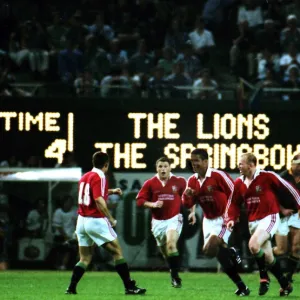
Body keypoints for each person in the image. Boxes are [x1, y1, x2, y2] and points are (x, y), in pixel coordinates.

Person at [65, 151, 146, 295]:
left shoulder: (85, 176)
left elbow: (93, 193)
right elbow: (98, 199)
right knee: (117, 253)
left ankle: (71, 287)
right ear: (106, 164)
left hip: (81, 221)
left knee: (85, 258)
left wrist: (112, 191)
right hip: (95, 220)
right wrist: (110, 217)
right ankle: (129, 287)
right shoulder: (100, 176)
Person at [226, 153, 300, 296]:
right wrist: (231, 218)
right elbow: (234, 203)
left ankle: (263, 278)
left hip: (269, 217)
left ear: (251, 164)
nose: (239, 166)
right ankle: (285, 285)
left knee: (253, 245)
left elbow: (288, 188)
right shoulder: (239, 183)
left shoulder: (267, 176)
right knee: (268, 257)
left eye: (241, 163)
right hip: (253, 222)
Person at [182, 149, 250, 296]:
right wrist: (186, 197)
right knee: (211, 252)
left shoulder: (218, 175)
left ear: (206, 161)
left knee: (214, 243)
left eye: (197, 160)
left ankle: (230, 249)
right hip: (208, 220)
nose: (194, 164)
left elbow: (234, 192)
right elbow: (188, 204)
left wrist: (234, 213)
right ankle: (241, 285)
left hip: (223, 218)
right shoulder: (192, 181)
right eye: (192, 161)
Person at [136, 157, 186, 288]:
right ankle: (172, 270)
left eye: (165, 166)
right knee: (165, 252)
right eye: (160, 167)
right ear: (156, 168)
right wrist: (152, 204)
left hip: (174, 218)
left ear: (170, 167)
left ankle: (176, 278)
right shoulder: (150, 183)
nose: (163, 169)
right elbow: (140, 201)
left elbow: (188, 197)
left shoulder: (179, 181)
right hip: (157, 222)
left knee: (171, 244)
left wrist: (191, 212)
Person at [273, 153, 300, 283]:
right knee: (281, 249)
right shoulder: (282, 177)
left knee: (296, 247)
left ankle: (288, 276)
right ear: (292, 164)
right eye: (298, 164)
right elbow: (272, 197)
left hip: (297, 214)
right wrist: (282, 209)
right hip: (282, 215)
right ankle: (265, 252)